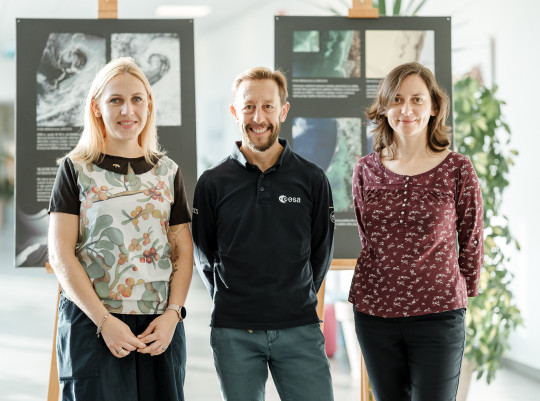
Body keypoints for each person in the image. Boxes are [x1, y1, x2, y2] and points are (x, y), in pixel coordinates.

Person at [48, 57, 193, 401]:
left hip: (158, 329)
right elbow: (60, 254)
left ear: (148, 105)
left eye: (136, 99)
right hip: (93, 324)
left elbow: (183, 252)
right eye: (115, 100)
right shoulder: (75, 169)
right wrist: (104, 321)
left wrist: (173, 315)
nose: (128, 110)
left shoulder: (168, 172)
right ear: (97, 107)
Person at [192, 66, 335, 401]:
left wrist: (293, 298)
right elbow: (204, 256)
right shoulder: (212, 183)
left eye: (268, 106)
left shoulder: (312, 179)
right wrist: (235, 302)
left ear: (283, 111)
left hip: (299, 328)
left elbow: (321, 253)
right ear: (234, 112)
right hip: (234, 332)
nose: (259, 117)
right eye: (249, 107)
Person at [349, 62, 484, 401]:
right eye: (396, 99)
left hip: (439, 313)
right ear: (384, 107)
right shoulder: (365, 169)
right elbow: (368, 237)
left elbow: (471, 238)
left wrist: (463, 292)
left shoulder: (458, 168)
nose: (406, 109)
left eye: (416, 99)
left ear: (434, 106)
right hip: (374, 313)